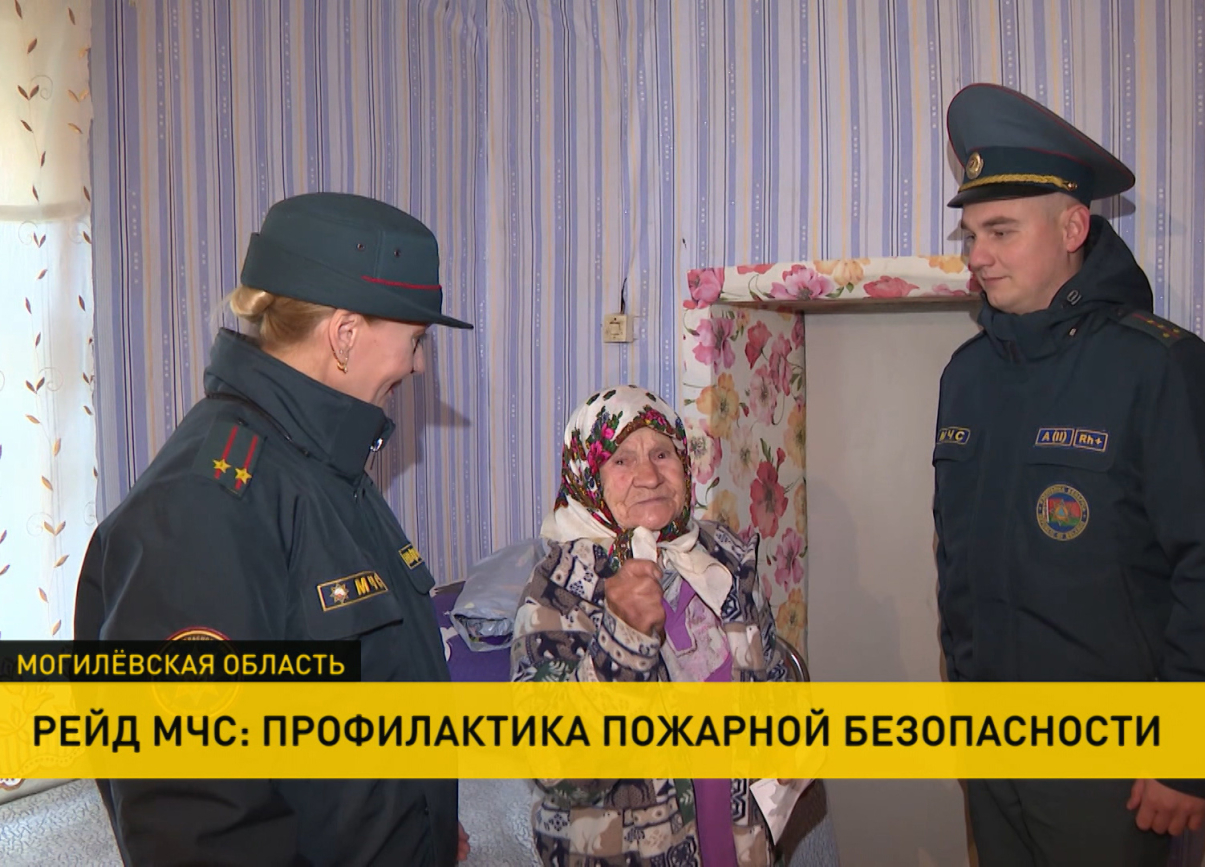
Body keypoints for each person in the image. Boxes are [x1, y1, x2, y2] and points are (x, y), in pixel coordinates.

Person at [931, 83, 1205, 866]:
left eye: (1000, 231)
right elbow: (957, 561)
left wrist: (1190, 753)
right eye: (971, 233)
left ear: (1072, 227)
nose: (976, 255)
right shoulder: (967, 375)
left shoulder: (1159, 367)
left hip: (1114, 770)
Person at [75, 192, 474, 866]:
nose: (417, 365)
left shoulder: (323, 468)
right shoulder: (205, 507)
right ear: (345, 335)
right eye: (415, 340)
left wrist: (425, 823)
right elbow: (197, 823)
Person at [511, 385, 794, 866]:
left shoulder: (723, 560)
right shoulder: (559, 587)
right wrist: (622, 638)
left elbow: (772, 685)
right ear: (587, 476)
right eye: (622, 460)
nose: (648, 476)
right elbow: (556, 770)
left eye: (662, 454)